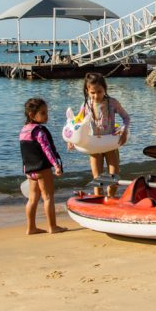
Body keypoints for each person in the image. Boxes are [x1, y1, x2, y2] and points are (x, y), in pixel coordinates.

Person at [75, 73, 130, 196]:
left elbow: (126, 117)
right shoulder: (85, 106)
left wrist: (124, 130)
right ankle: (98, 200)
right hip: (94, 146)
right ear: (87, 91)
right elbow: (78, 124)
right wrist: (72, 140)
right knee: (97, 179)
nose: (96, 96)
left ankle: (110, 198)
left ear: (105, 89)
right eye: (92, 92)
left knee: (114, 178)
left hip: (110, 144)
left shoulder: (112, 103)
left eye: (99, 92)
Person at [19, 97, 65, 234]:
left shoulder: (23, 131)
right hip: (42, 168)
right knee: (48, 197)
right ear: (32, 115)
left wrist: (25, 169)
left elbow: (24, 152)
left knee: (32, 199)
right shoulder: (39, 131)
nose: (46, 116)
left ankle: (31, 228)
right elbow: (47, 149)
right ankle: (53, 226)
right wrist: (56, 165)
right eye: (43, 113)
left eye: (47, 112)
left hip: (30, 170)